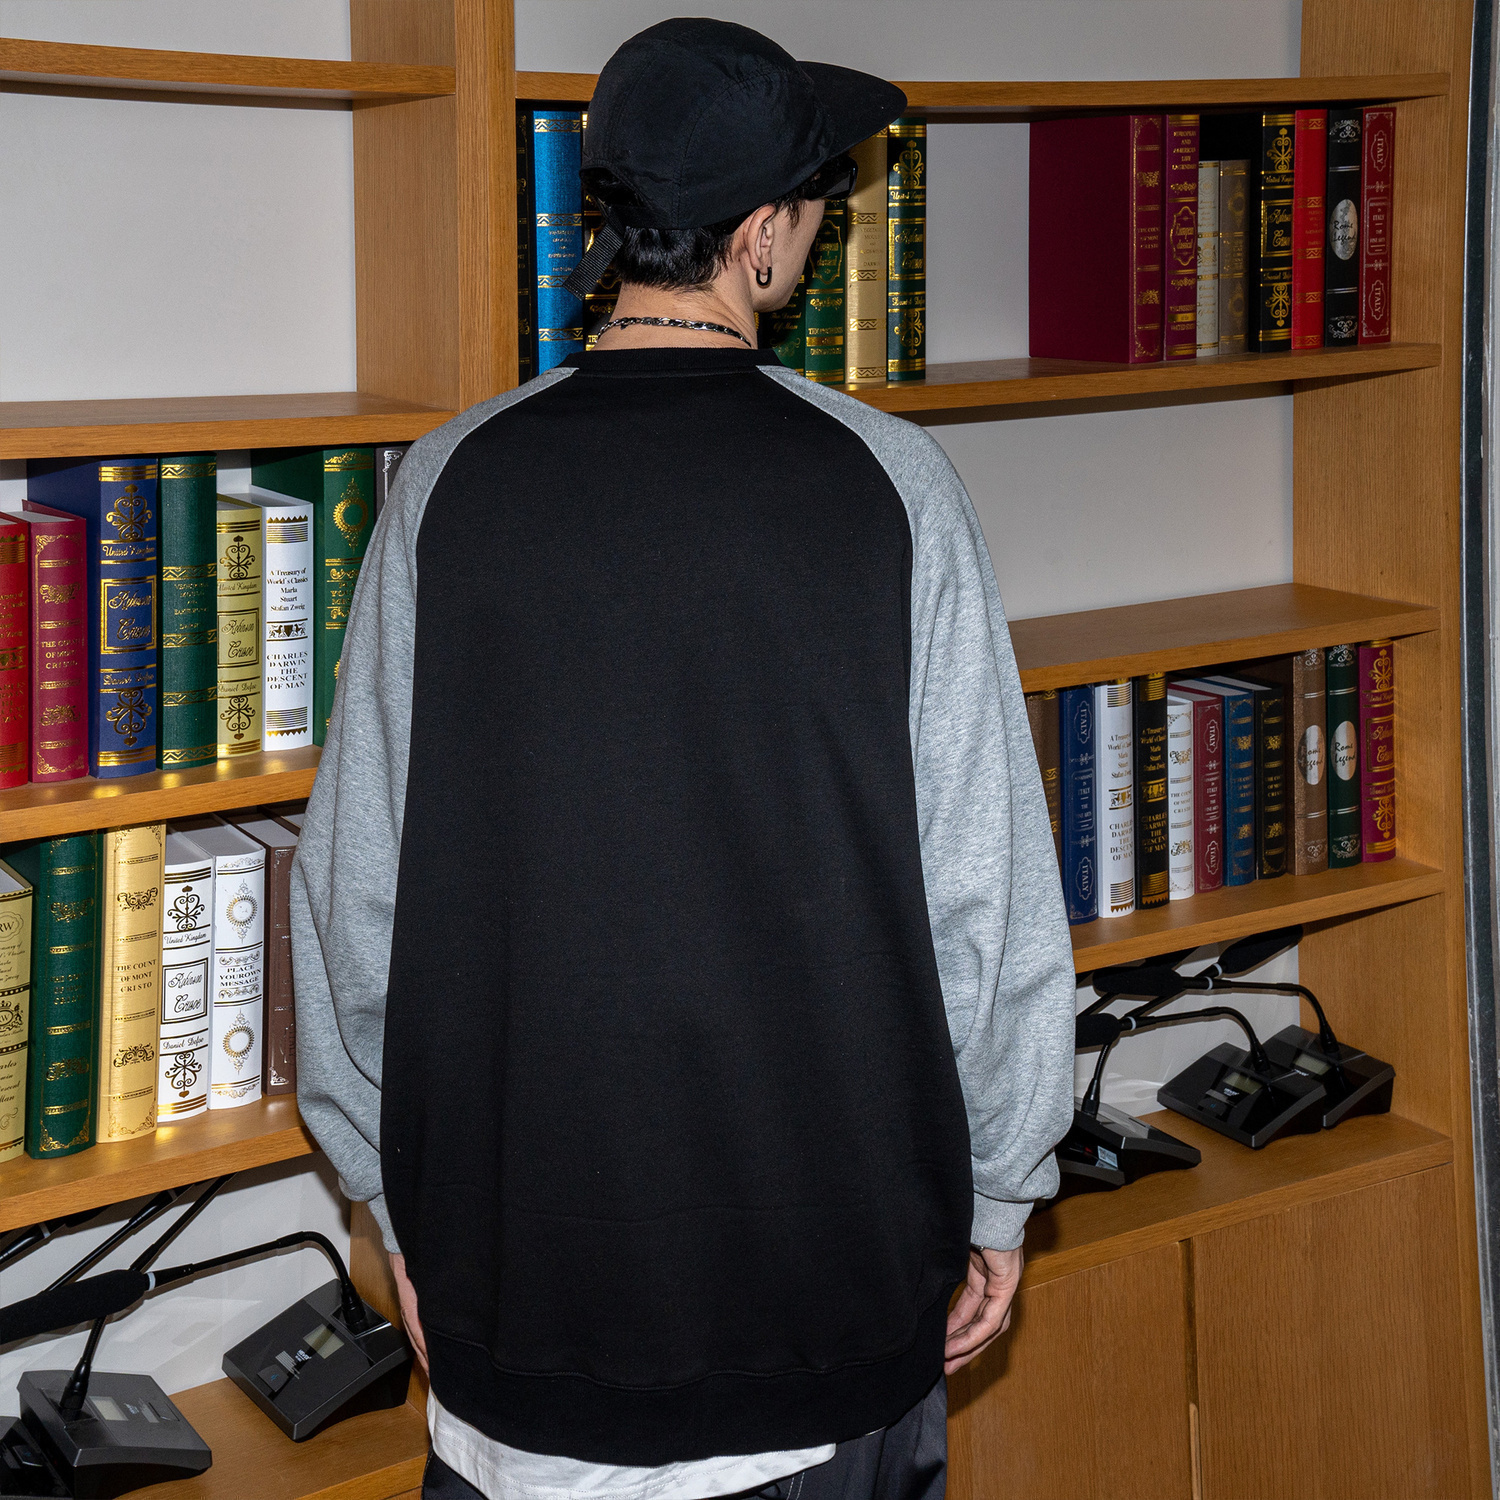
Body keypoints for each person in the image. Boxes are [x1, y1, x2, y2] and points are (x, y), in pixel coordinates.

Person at [290, 18, 1074, 1500]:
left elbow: (351, 905)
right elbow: (986, 903)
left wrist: (389, 1200)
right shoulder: (891, 485)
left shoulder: (449, 483)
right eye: (818, 201)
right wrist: (1001, 1187)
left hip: (521, 1320)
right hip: (831, 1313)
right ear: (762, 237)